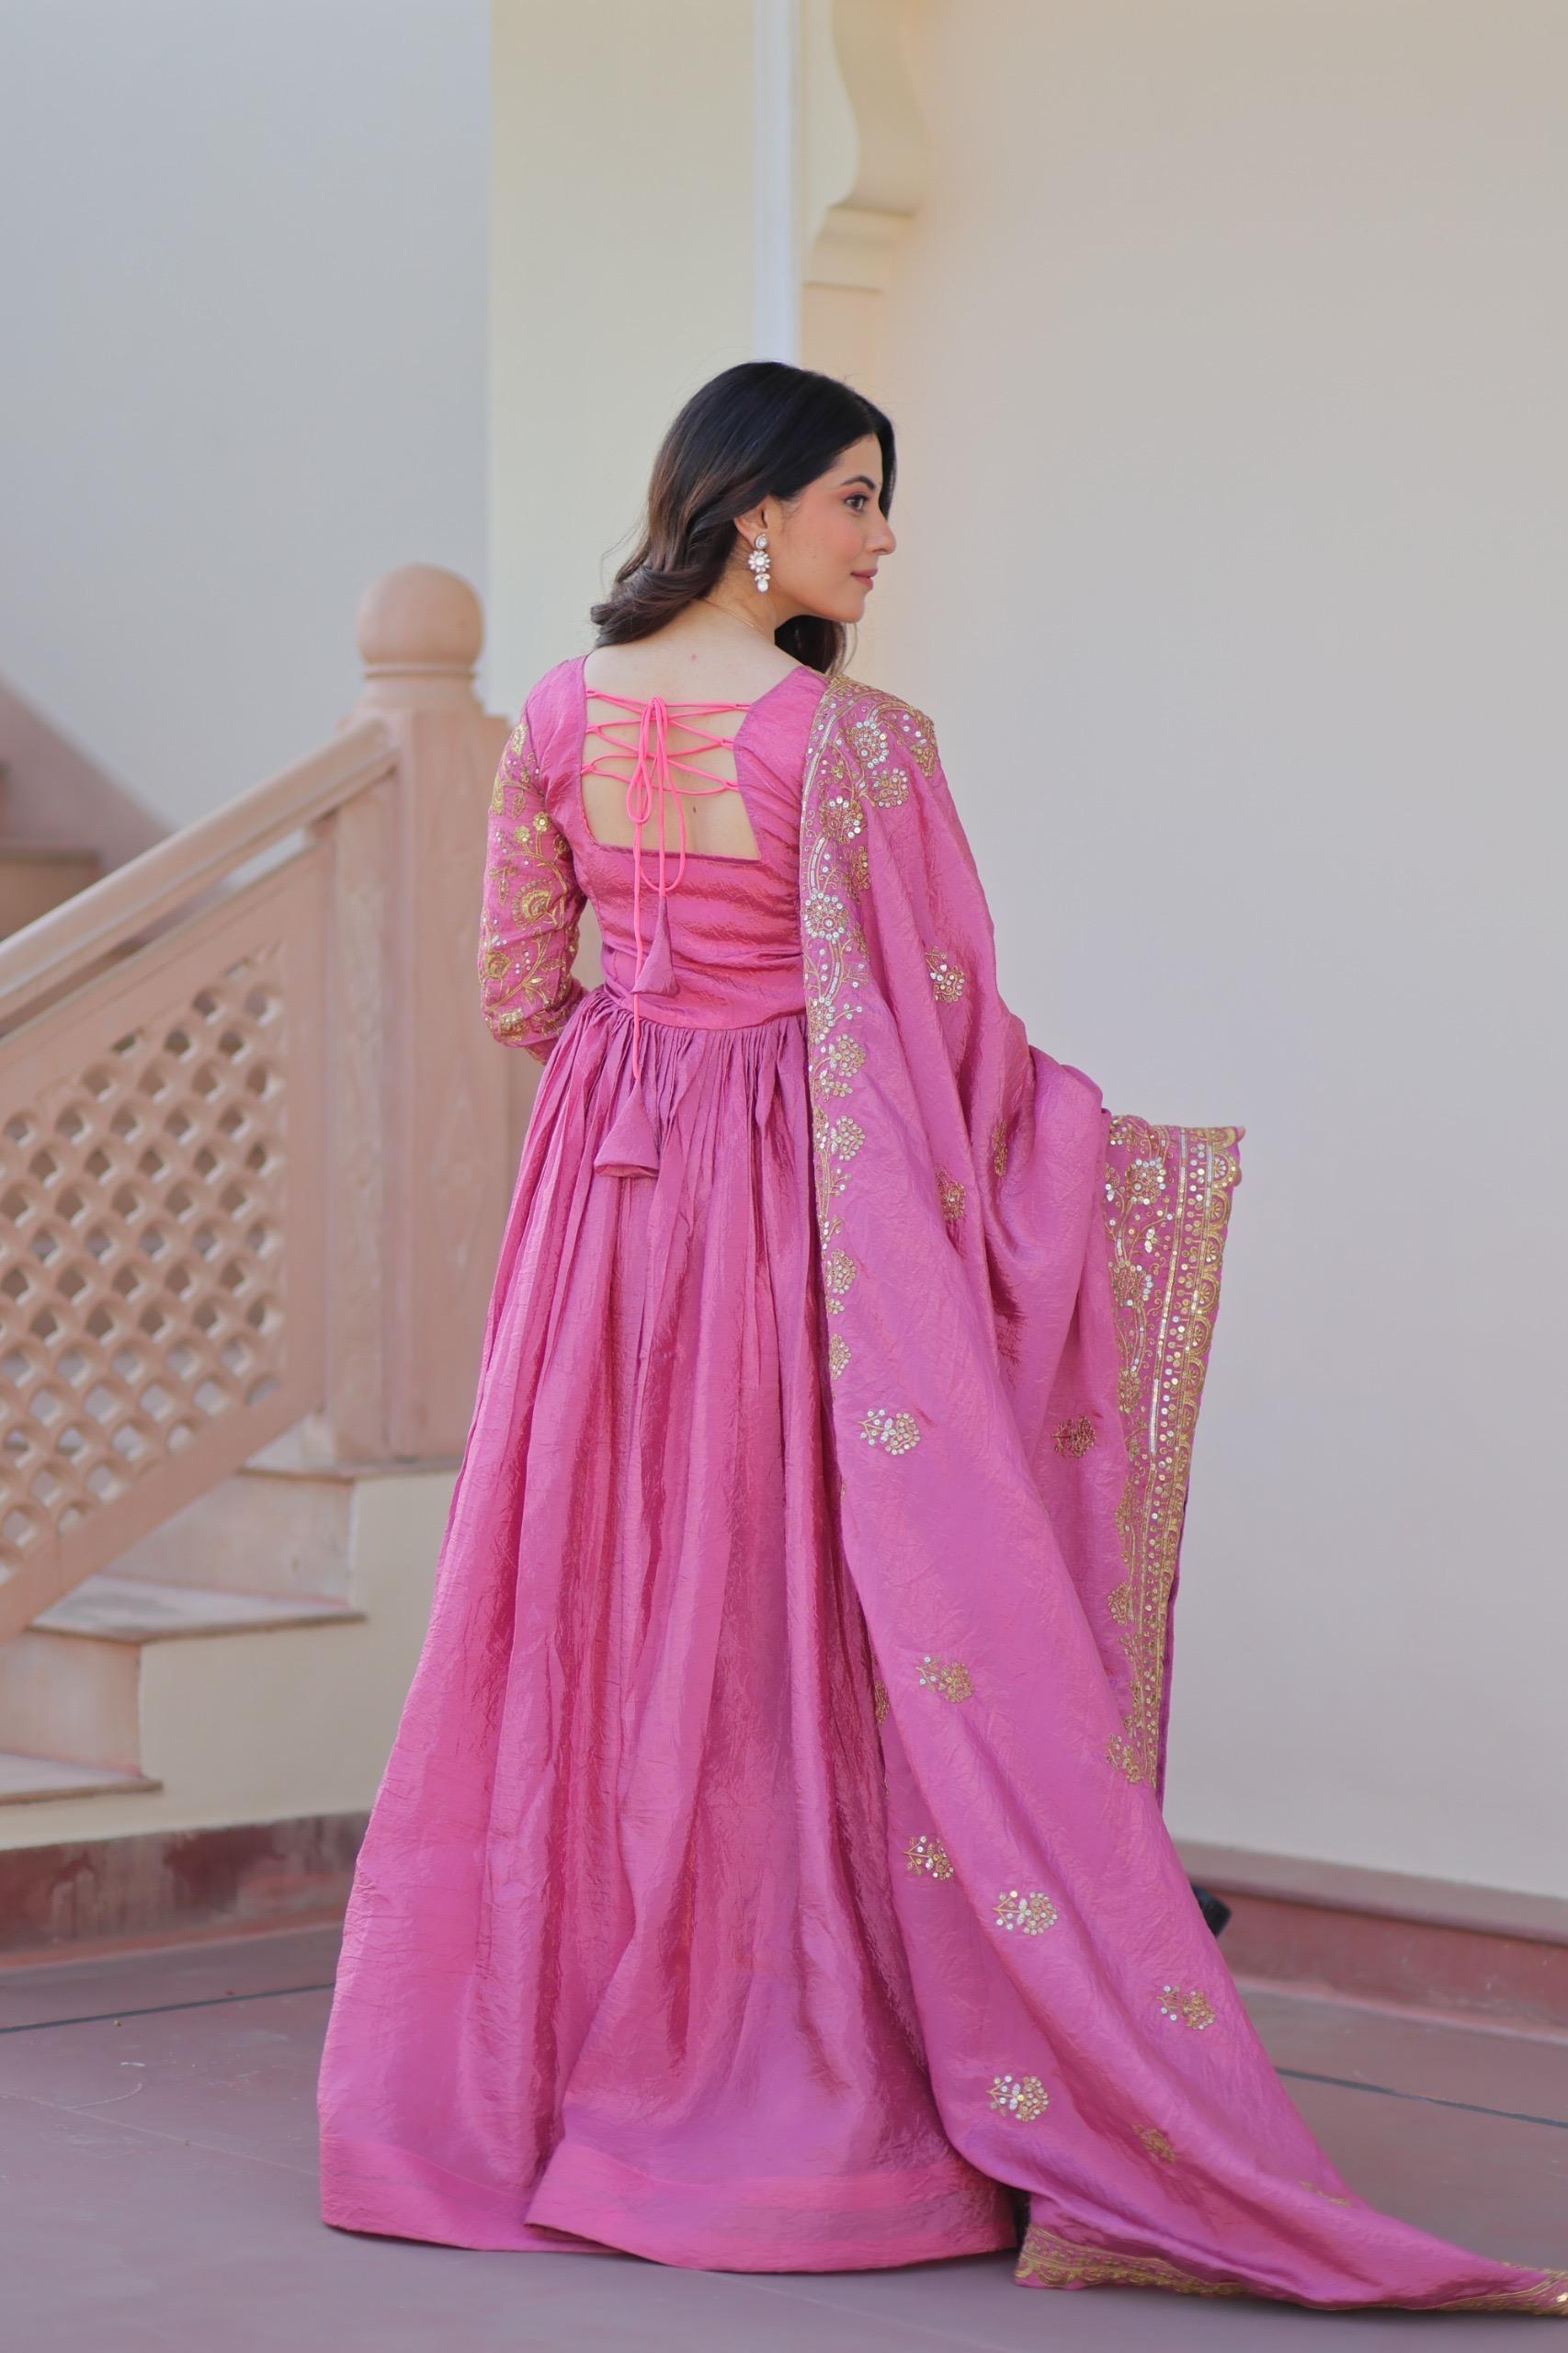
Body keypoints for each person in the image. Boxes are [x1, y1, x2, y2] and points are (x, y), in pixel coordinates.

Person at [315, 362, 1565, 2317]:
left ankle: (525, 2094)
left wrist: (640, 1092)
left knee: (599, 1594)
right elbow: (943, 1043)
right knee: (800, 1614)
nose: (881, 538)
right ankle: (783, 2086)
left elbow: (513, 993)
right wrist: (1069, 1153)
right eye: (854, 499)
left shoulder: (557, 712)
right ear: (752, 512)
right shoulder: (845, 741)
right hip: (797, 1218)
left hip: (597, 1214)